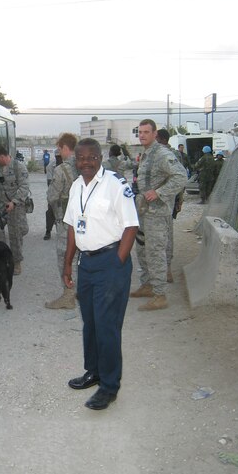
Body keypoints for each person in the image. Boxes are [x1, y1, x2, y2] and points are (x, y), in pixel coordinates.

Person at [62, 138, 139, 410]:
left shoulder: (116, 185)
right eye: (80, 158)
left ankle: (109, 386)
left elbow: (131, 227)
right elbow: (73, 226)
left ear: (100, 157)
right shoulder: (76, 186)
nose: (85, 162)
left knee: (107, 327)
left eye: (91, 157)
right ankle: (93, 371)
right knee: (91, 323)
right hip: (87, 263)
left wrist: (117, 263)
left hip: (110, 261)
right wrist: (68, 263)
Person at [130, 120, 188, 311]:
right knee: (142, 250)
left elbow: (181, 177)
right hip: (144, 212)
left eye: (147, 132)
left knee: (155, 253)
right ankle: (148, 285)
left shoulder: (162, 154)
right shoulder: (147, 155)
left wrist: (160, 192)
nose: (142, 135)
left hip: (157, 213)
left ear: (155, 134)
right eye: (140, 132)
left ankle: (160, 295)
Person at [45, 133, 78, 309]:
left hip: (66, 223)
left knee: (65, 257)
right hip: (87, 222)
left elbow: (52, 196)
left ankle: (68, 295)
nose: (59, 152)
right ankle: (80, 290)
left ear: (65, 147)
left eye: (59, 148)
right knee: (82, 256)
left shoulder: (61, 170)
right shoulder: (86, 166)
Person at [0, 145, 30, 275]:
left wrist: (14, 202)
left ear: (2, 157)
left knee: (15, 235)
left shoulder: (19, 167)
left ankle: (16, 263)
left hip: (15, 207)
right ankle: (2, 259)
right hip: (1, 207)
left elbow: (24, 187)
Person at [155, 129, 186, 284]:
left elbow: (181, 178)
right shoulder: (175, 154)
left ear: (160, 139)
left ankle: (166, 269)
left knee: (164, 235)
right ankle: (163, 268)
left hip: (164, 200)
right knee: (163, 234)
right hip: (163, 200)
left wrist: (179, 199)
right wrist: (180, 199)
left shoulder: (165, 154)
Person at [43, 149, 62, 240]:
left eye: (60, 157)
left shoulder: (69, 166)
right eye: (57, 157)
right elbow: (49, 182)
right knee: (50, 211)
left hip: (66, 192)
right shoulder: (51, 166)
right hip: (53, 191)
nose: (59, 159)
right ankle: (48, 231)